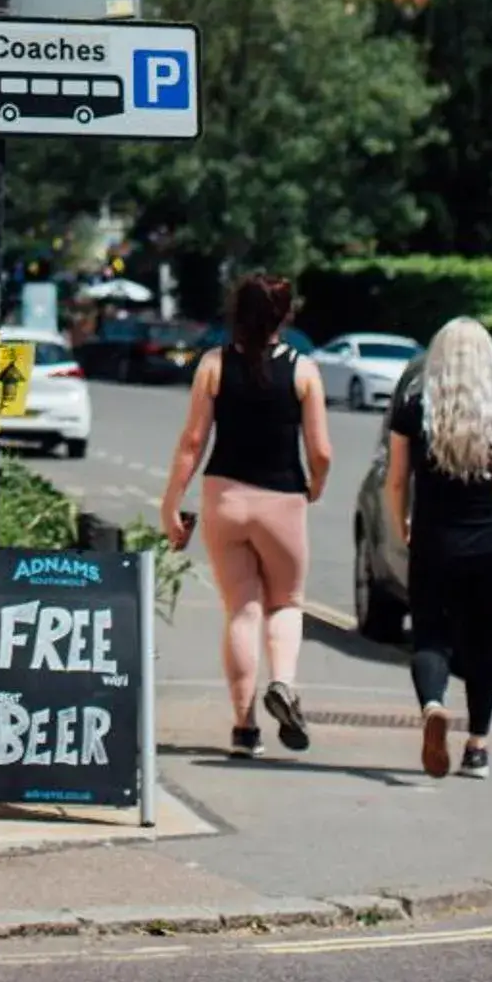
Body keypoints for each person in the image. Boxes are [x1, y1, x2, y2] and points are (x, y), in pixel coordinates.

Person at [161, 274, 332, 756]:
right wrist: (315, 487)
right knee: (285, 604)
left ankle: (244, 728)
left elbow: (193, 442)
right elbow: (321, 451)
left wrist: (172, 503)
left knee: (241, 609)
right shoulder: (303, 371)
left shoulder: (214, 365)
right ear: (286, 315)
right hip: (282, 499)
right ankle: (282, 683)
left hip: (225, 497)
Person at [385, 317, 492, 780]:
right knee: (482, 645)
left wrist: (400, 522)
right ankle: (477, 749)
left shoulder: (415, 405)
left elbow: (396, 479)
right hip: (489, 546)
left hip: (432, 541)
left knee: (430, 636)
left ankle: (433, 707)